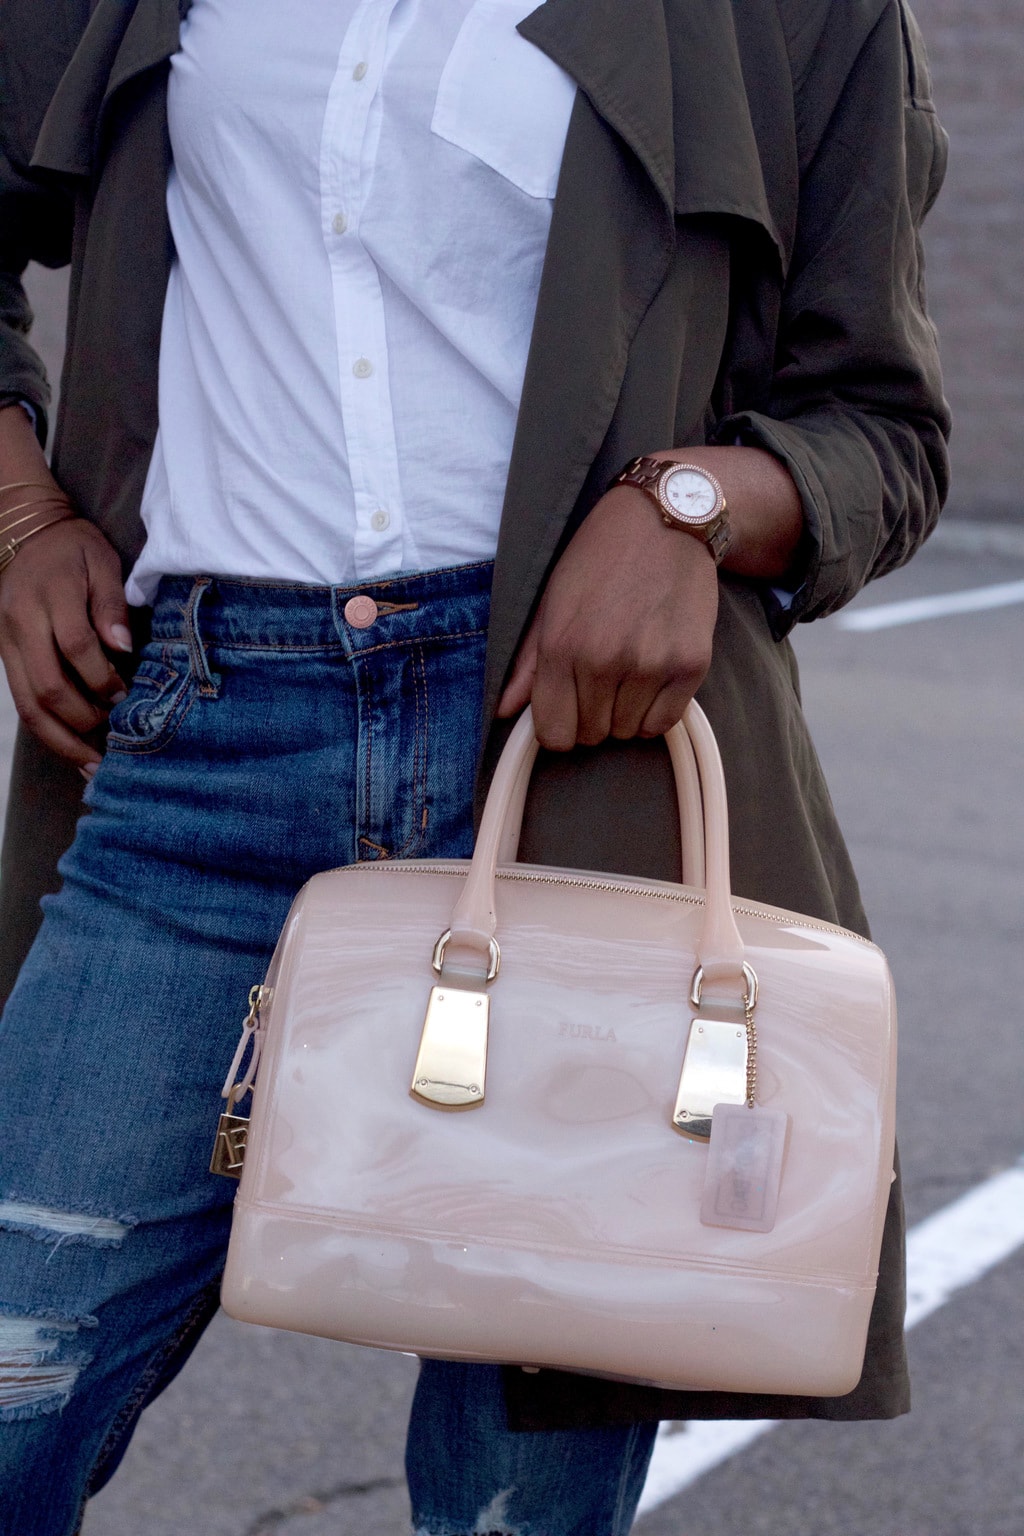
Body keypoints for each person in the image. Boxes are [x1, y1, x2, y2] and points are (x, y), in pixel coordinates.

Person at [0, 0, 949, 1531]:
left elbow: (881, 430)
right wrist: (23, 520)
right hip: (198, 745)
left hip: (584, 772)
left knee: (518, 1496)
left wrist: (689, 500)